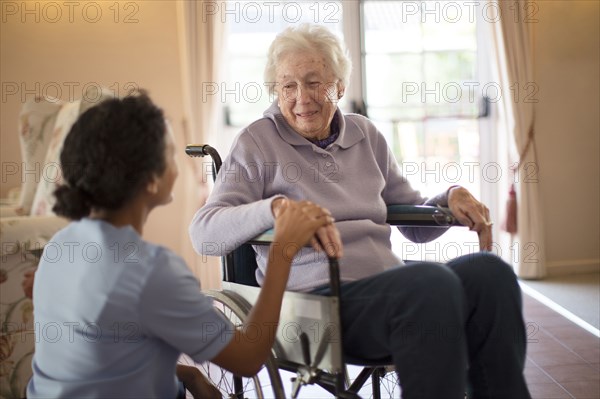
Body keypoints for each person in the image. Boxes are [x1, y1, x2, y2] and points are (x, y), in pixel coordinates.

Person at [190, 24, 532, 398]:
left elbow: (411, 219)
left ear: (339, 86)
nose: (302, 98)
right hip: (314, 303)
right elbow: (204, 232)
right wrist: (275, 209)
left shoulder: (365, 134)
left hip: (390, 288)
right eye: (288, 86)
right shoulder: (257, 143)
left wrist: (449, 197)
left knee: (491, 274)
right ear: (276, 91)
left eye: (314, 82)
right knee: (430, 285)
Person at [27, 92, 334, 398]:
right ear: (151, 179)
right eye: (172, 152)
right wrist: (282, 251)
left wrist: (186, 374)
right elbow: (249, 358)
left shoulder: (61, 245)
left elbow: (101, 349)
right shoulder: (150, 270)